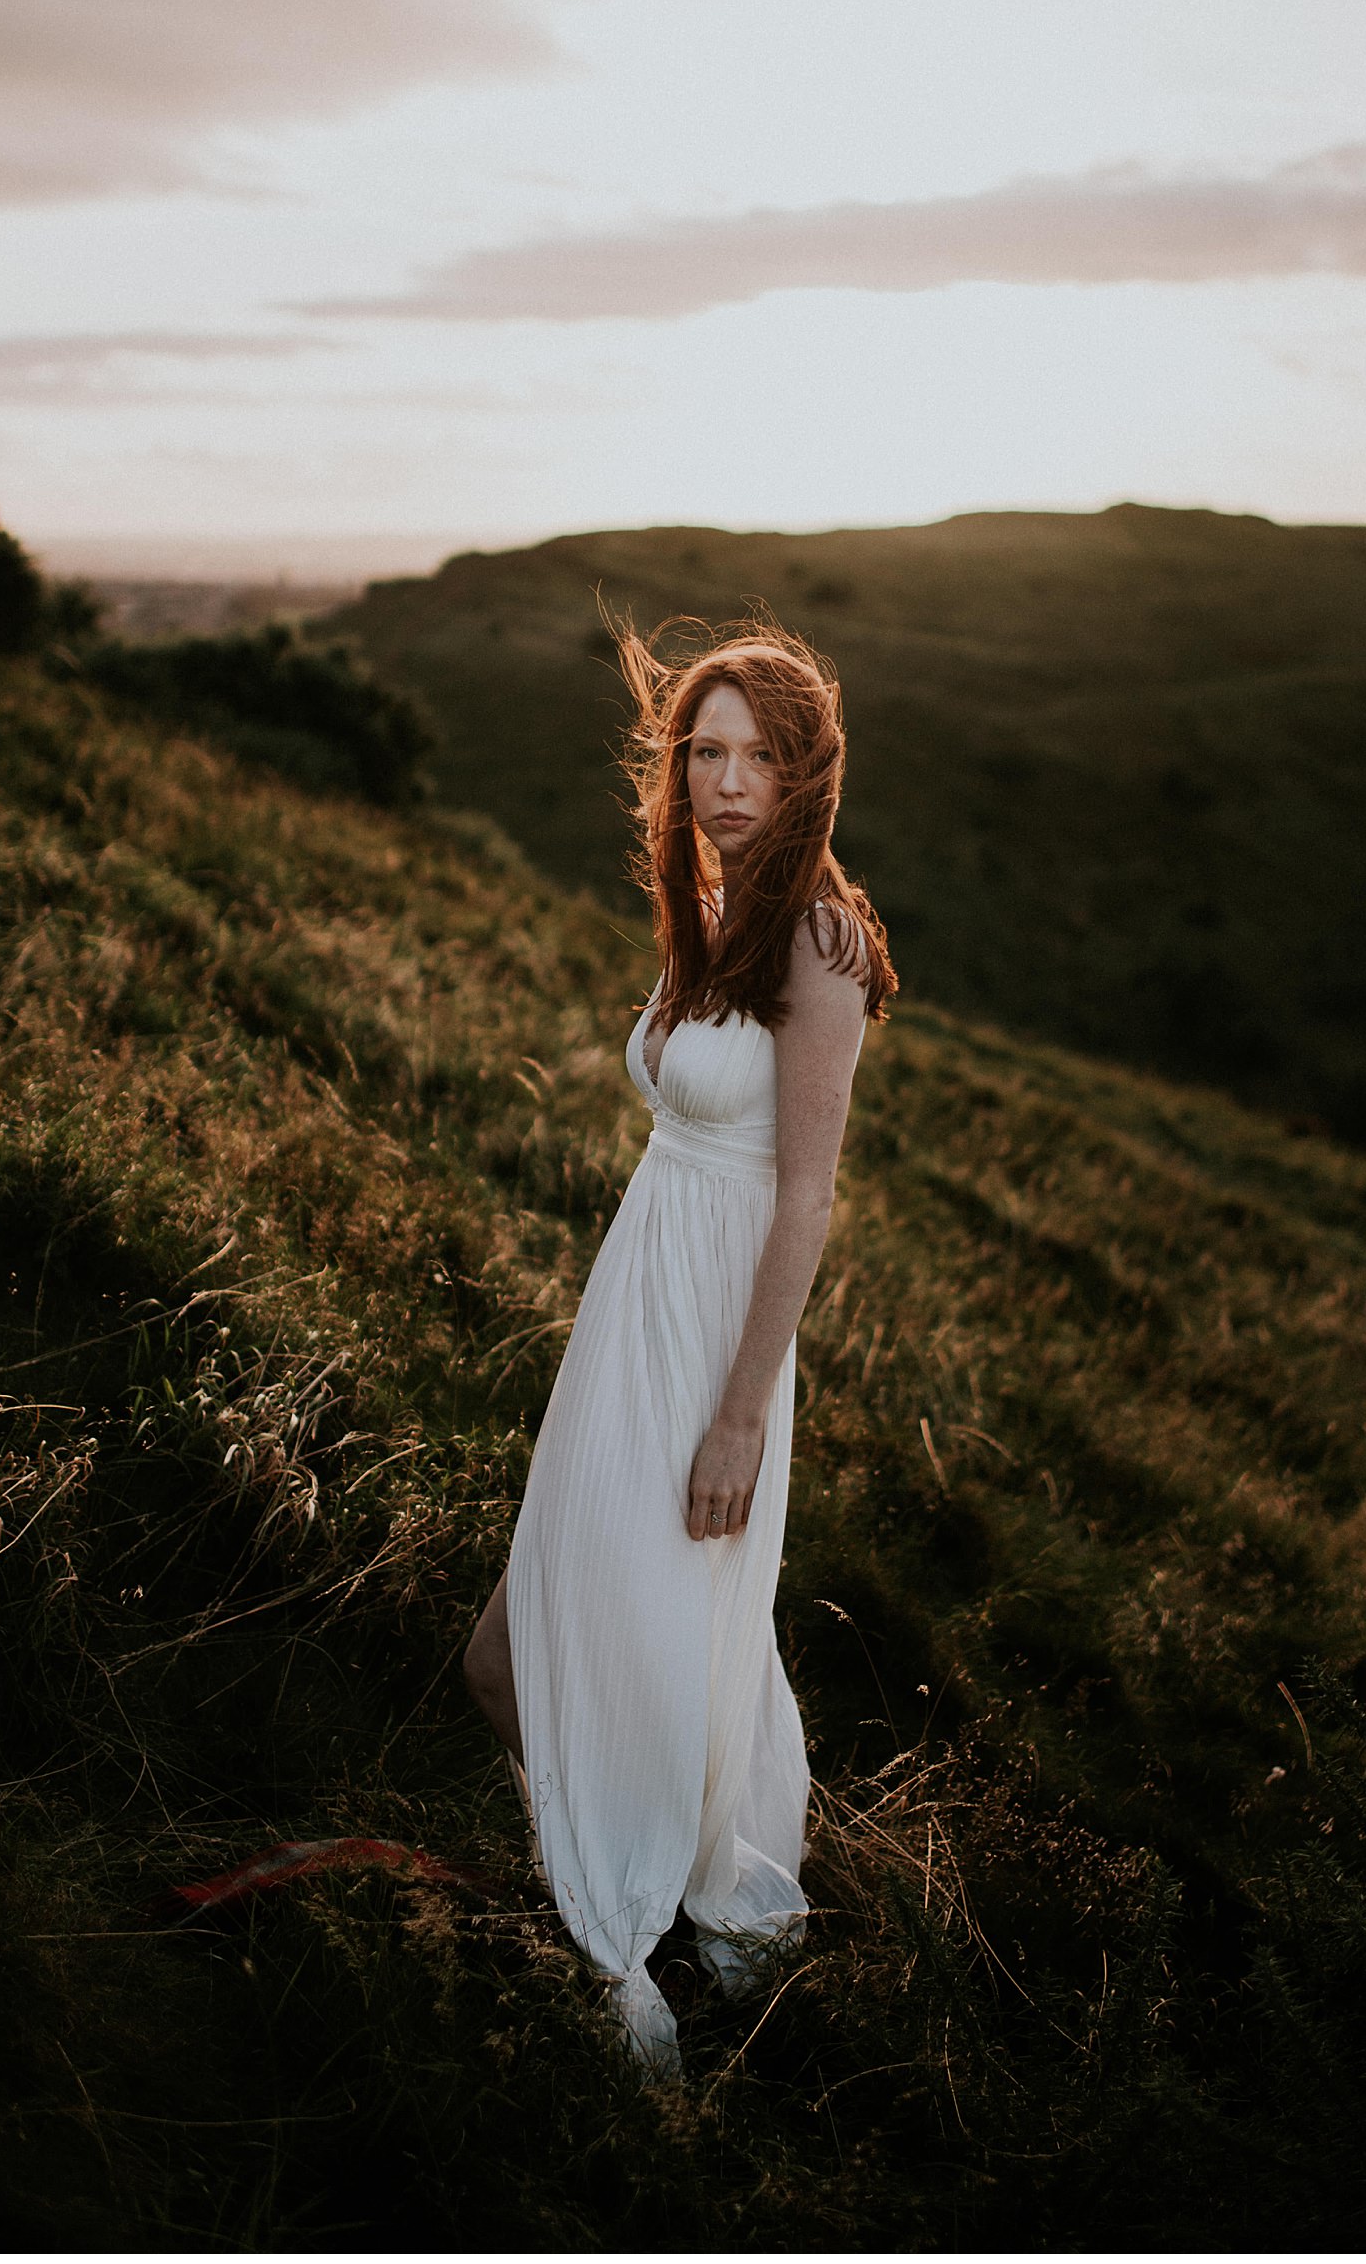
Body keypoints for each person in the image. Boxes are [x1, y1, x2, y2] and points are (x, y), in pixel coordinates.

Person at [463, 615, 896, 2079]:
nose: (722, 781)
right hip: (631, 1306)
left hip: (716, 1341)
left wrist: (737, 1416)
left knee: (620, 1641)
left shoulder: (820, 938)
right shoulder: (707, 907)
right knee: (511, 1653)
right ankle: (608, 1871)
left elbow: (806, 1192)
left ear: (802, 775)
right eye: (701, 751)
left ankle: (626, 1920)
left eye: (754, 757)